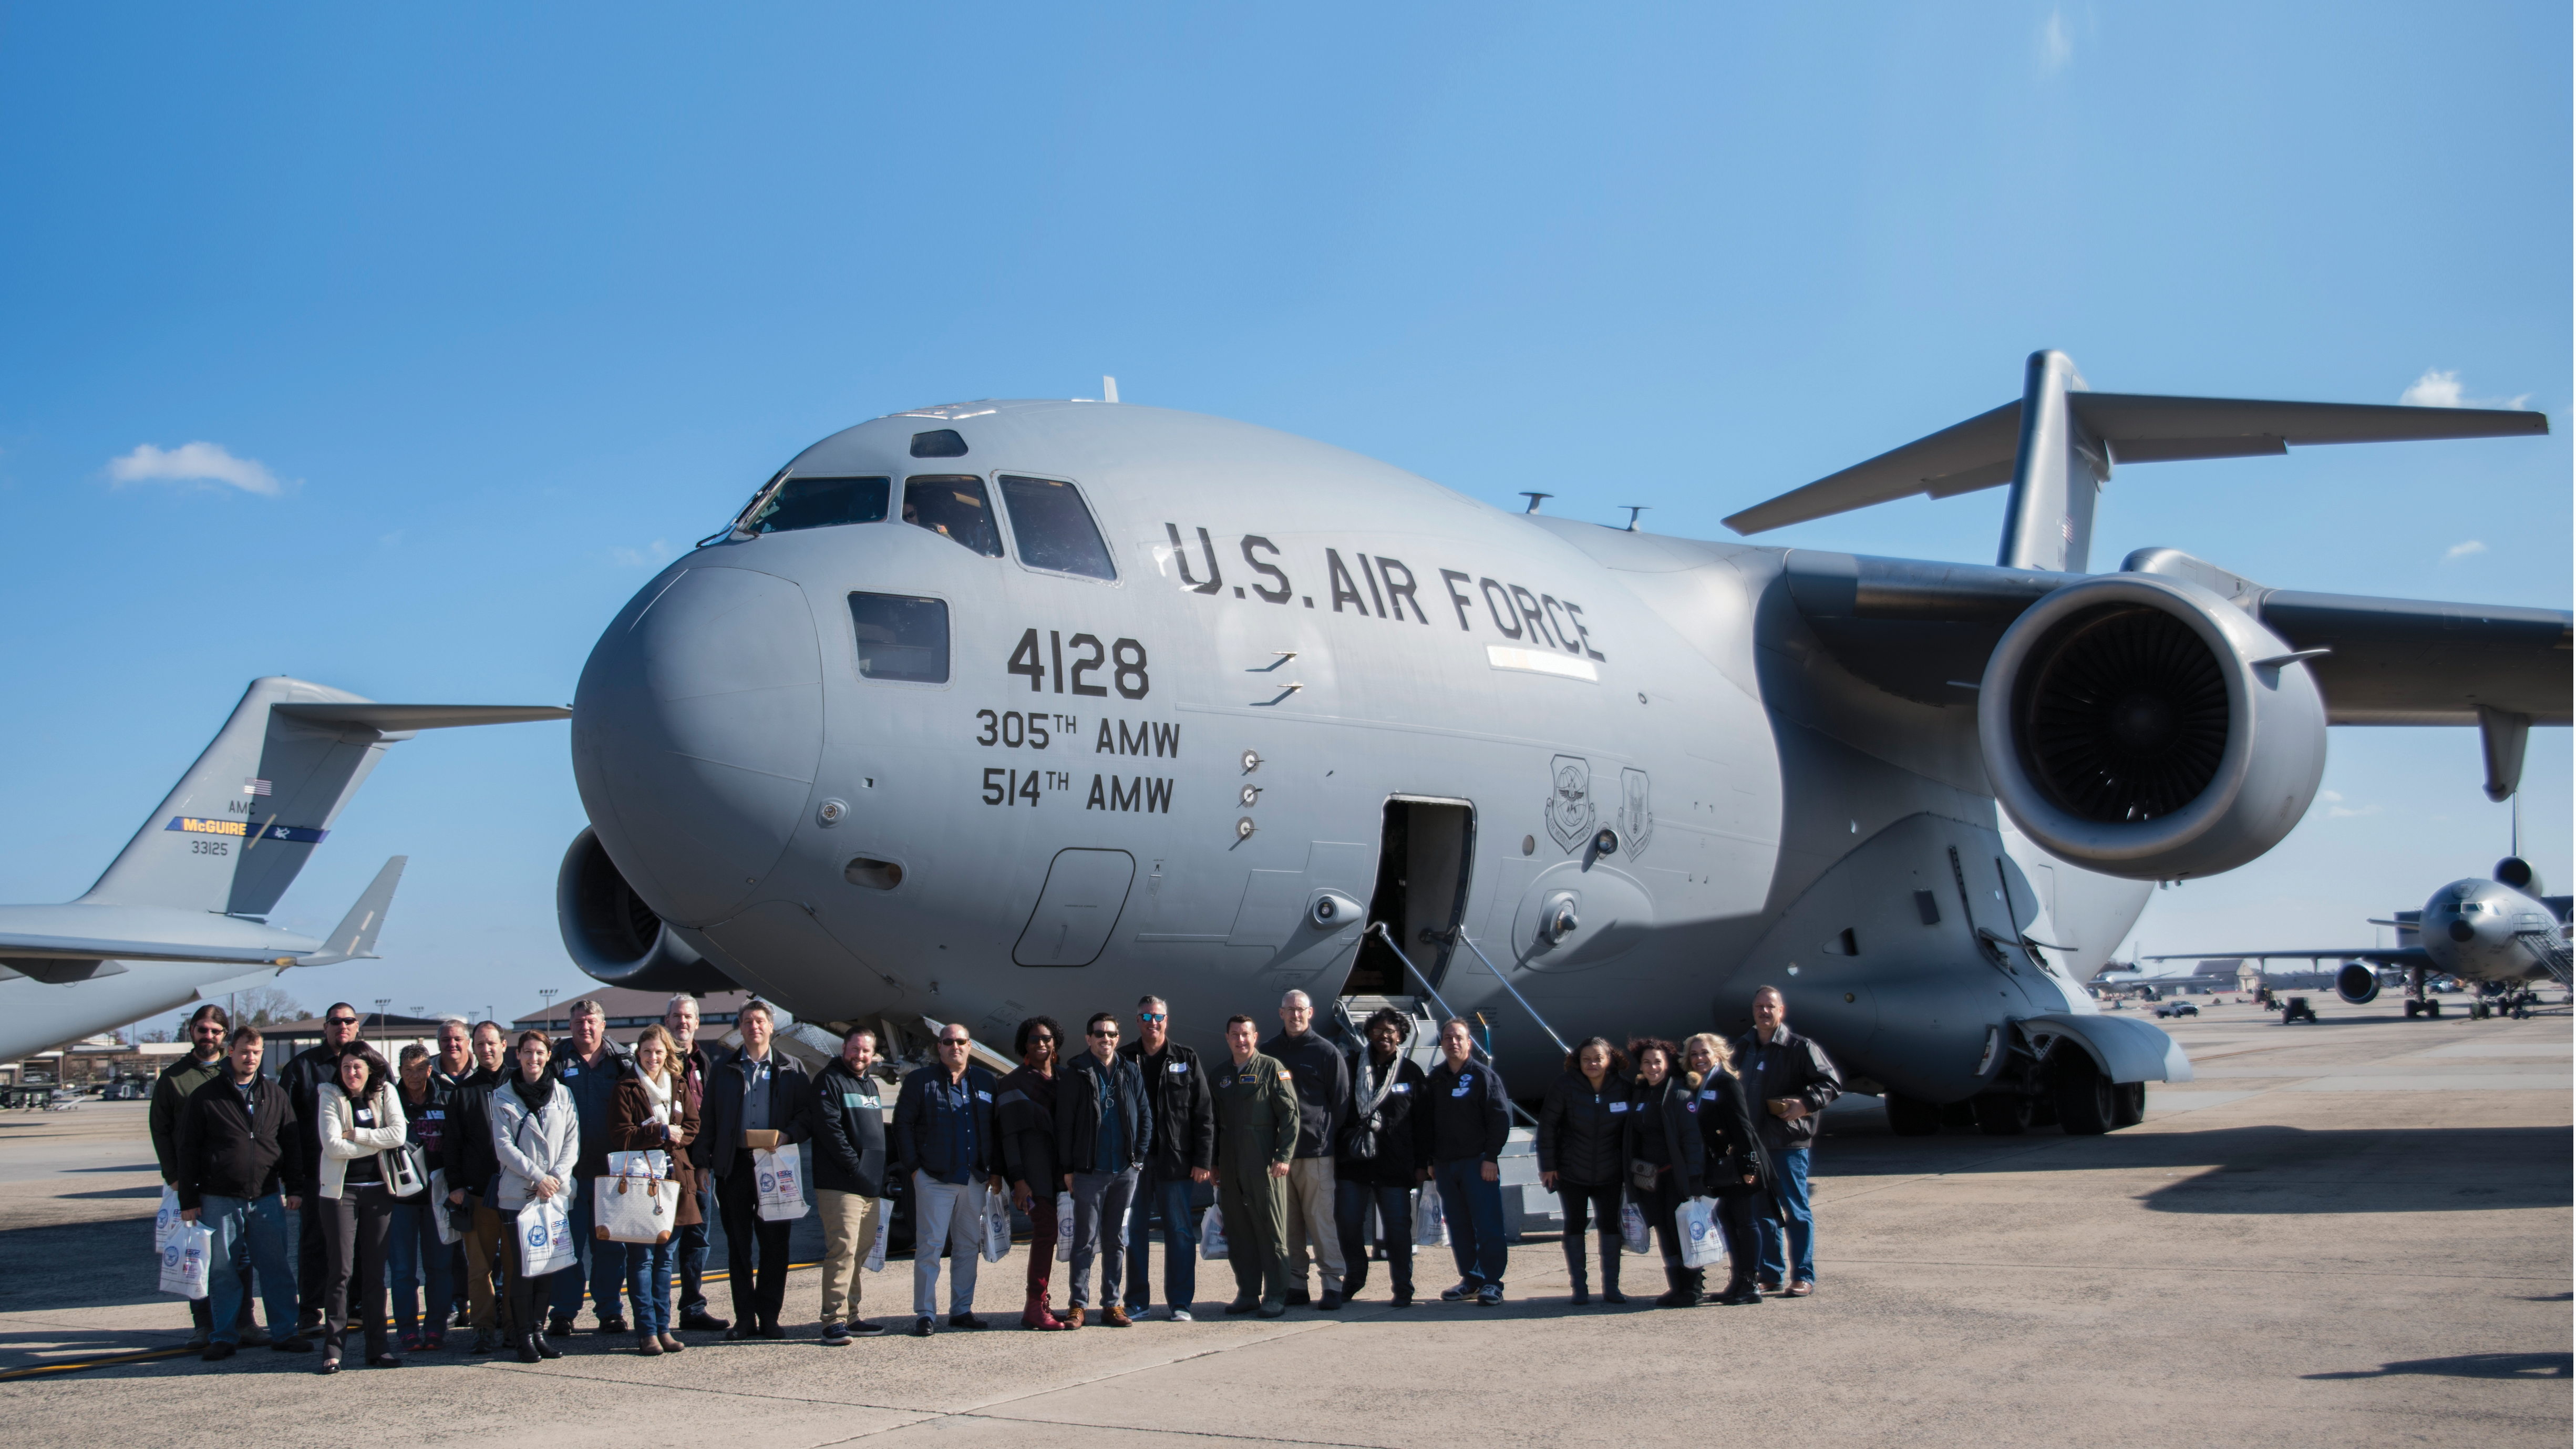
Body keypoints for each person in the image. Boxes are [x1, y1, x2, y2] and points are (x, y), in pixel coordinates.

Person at [176, 1025, 309, 1362]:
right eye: (244, 1051)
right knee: (223, 1270)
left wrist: (294, 1187)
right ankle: (224, 1336)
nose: (250, 1058)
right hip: (219, 1197)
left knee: (276, 1268)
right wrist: (188, 1201)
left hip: (266, 1197)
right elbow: (188, 1150)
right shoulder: (206, 1097)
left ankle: (285, 1332)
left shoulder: (275, 1094)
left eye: (257, 1052)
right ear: (230, 1052)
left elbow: (291, 1143)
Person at [151, 1003, 262, 1347]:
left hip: (230, 1182)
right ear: (192, 1032)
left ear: (225, 1036)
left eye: (216, 1031)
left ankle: (244, 1320)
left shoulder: (236, 1074)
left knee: (238, 1253)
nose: (209, 1036)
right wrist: (175, 1178)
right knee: (197, 1254)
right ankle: (204, 1324)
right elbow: (160, 1129)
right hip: (191, 1182)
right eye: (203, 1029)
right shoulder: (173, 1078)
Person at [702, 1000, 814, 1340]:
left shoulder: (791, 1068)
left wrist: (788, 1135)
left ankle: (769, 1316)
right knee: (739, 1246)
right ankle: (744, 1319)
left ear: (771, 1026)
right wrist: (704, 1163)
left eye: (760, 1021)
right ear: (740, 1026)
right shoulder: (723, 1069)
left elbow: (808, 1116)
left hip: (776, 1164)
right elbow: (708, 1120)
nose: (754, 1027)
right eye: (747, 1021)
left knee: (775, 1245)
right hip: (735, 1166)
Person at [891, 1022, 1004, 1335]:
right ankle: (926, 1313)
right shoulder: (920, 1081)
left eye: (962, 1041)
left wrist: (994, 1170)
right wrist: (915, 1169)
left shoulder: (986, 1082)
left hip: (974, 1178)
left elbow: (996, 1131)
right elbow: (903, 1125)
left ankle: (961, 1310)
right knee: (930, 1246)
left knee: (968, 1246)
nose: (955, 1046)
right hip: (935, 1178)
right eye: (948, 1041)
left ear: (971, 1046)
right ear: (939, 1047)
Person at [1732, 986, 1842, 1297]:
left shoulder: (1799, 1047)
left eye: (1770, 1007)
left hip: (1788, 1143)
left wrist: (1805, 1104)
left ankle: (1803, 1276)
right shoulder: (1742, 1048)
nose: (1764, 1012)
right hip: (1754, 1145)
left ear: (1781, 1011)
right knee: (1761, 1213)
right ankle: (1770, 1274)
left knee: (1796, 1210)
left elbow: (1830, 1083)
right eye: (1759, 1007)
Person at [1117, 995, 1214, 1322]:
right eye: (1145, 1016)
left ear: (1166, 1020)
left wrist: (1203, 1159)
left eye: (1157, 1016)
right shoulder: (1124, 1058)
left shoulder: (1186, 1058)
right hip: (1136, 1164)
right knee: (1135, 1232)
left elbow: (1204, 1113)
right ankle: (1137, 1302)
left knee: (1181, 1232)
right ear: (1138, 1021)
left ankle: (1181, 1303)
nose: (1152, 1022)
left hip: (1176, 1163)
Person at [609, 1023, 701, 1355]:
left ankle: (664, 1329)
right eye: (647, 1051)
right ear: (638, 1052)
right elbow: (621, 1135)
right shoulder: (627, 1087)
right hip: (640, 1182)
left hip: (675, 1179)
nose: (653, 1057)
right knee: (642, 1260)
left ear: (668, 1054)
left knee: (665, 1260)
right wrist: (661, 1132)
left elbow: (692, 1124)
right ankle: (646, 1330)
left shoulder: (677, 1084)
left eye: (659, 1052)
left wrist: (677, 1135)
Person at [315, 1043, 407, 1372]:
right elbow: (332, 1146)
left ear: (370, 1069)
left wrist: (358, 1135)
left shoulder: (386, 1094)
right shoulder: (329, 1094)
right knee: (341, 1271)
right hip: (341, 1194)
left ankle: (377, 1349)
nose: (351, 1073)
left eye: (357, 1067)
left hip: (380, 1193)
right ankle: (333, 1349)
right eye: (345, 1067)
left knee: (374, 1275)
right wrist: (374, 1140)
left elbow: (399, 1134)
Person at [1056, 1012, 1152, 1327]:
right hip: (1090, 1171)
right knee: (1084, 1240)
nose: (1106, 1039)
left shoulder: (1130, 1069)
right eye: (1099, 1034)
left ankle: (1112, 1304)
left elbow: (1145, 1116)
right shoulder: (1077, 1072)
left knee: (1115, 1240)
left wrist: (1137, 1159)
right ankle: (1078, 1304)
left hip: (1124, 1170)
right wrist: (1069, 1168)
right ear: (1088, 1038)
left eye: (1111, 1034)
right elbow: (1065, 1125)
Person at [547, 999, 635, 1337]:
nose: (586, 1027)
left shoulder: (622, 1060)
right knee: (567, 1245)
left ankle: (610, 1309)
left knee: (611, 1248)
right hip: (568, 1173)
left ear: (602, 1025)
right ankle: (564, 1311)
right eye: (579, 1021)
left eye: (591, 1021)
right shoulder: (556, 1060)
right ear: (570, 1026)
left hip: (611, 1174)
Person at [490, 1030, 576, 1365]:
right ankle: (523, 1335)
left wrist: (554, 1178)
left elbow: (572, 1141)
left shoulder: (563, 1095)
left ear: (548, 1055)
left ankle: (539, 1331)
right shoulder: (502, 1096)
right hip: (519, 1195)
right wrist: (538, 1177)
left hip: (554, 1195)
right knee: (524, 1268)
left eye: (540, 1052)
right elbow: (503, 1147)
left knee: (547, 1266)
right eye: (528, 1052)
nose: (534, 1058)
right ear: (518, 1055)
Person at [1333, 1006, 1427, 1307]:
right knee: (1347, 1223)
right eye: (1377, 1031)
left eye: (1390, 1031)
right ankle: (1355, 1276)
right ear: (1369, 1034)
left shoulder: (1411, 1073)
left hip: (1395, 1164)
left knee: (1398, 1229)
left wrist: (1423, 1164)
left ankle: (1402, 1286)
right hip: (1354, 1163)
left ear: (1400, 1035)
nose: (1384, 1036)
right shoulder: (1349, 1067)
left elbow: (1424, 1123)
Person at [1261, 990, 1349, 1308]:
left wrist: (1322, 1137)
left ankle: (1332, 1284)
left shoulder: (1326, 1053)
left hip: (1315, 1154)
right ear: (1280, 1013)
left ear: (1310, 1013)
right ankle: (1296, 1284)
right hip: (1279, 1157)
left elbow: (1340, 1105)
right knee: (1289, 1226)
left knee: (1321, 1222)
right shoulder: (1268, 1052)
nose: (1295, 1015)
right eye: (1290, 1010)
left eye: (1301, 1010)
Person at [281, 1002, 365, 1335]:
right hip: (317, 1176)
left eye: (349, 1021)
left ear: (357, 1027)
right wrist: (293, 1180)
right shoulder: (302, 1068)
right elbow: (285, 1127)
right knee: (316, 1243)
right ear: (325, 1028)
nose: (342, 1026)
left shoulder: (371, 1064)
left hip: (362, 1175)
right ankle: (312, 1310)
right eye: (335, 1022)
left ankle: (355, 1306)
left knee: (359, 1243)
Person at [1209, 1015, 1298, 1318]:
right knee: (1239, 1231)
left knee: (1270, 1229)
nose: (1240, 1040)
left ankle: (1276, 1294)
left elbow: (1290, 1115)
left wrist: (1283, 1156)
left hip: (1263, 1163)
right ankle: (1248, 1292)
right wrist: (1214, 1163)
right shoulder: (1220, 1075)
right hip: (1231, 1165)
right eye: (1235, 1034)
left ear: (1255, 1037)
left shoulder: (1273, 1069)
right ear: (1227, 1038)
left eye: (1245, 1034)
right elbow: (1212, 1124)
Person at [1419, 1019, 1511, 1306]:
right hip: (1446, 1166)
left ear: (1469, 1043)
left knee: (1487, 1224)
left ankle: (1492, 1282)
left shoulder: (1483, 1077)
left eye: (1459, 1038)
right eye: (1447, 1038)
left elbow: (1500, 1119)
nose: (1453, 1043)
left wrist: (1491, 1158)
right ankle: (1471, 1280)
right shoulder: (1434, 1079)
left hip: (1478, 1163)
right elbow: (1426, 1123)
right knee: (1458, 1226)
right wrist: (1431, 1160)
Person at [1537, 1035, 1632, 1306]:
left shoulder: (1623, 1088)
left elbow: (1633, 1130)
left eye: (1598, 1058)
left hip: (1611, 1172)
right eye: (1586, 1059)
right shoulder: (1565, 1085)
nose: (1592, 1063)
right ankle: (1579, 1287)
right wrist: (1548, 1166)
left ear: (1610, 1059)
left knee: (1610, 1226)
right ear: (1578, 1062)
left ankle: (1611, 1287)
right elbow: (1547, 1127)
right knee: (1575, 1225)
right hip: (1571, 1172)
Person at [810, 1025, 890, 1343]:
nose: (860, 1056)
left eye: (866, 1051)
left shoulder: (869, 1084)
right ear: (844, 1048)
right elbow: (830, 1130)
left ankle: (852, 1315)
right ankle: (833, 1319)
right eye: (855, 1049)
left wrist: (873, 1177)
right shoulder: (829, 1081)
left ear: (873, 1054)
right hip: (840, 1183)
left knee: (860, 1251)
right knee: (842, 1249)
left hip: (867, 1184)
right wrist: (855, 1168)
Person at [1681, 1032, 1771, 1306]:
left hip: (1737, 1164)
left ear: (1717, 1054)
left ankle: (1750, 1283)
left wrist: (1748, 1164)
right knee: (1730, 1223)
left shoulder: (1726, 1082)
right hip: (1719, 1167)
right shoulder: (1698, 1084)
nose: (1699, 1059)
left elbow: (1743, 1126)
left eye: (1704, 1053)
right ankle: (1737, 1281)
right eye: (1694, 1054)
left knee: (1746, 1222)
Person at [440, 1020, 511, 1353]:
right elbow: (451, 1145)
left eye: (491, 1043)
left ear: (503, 1045)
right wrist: (456, 1186)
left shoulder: (522, 1084)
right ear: (473, 1047)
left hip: (518, 1195)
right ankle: (483, 1328)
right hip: (478, 1193)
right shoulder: (463, 1093)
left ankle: (514, 1324)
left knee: (516, 1265)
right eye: (480, 1044)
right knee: (479, 1268)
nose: (486, 1049)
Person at [662, 993, 730, 1332]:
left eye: (688, 1017)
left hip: (699, 1166)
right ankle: (657, 1316)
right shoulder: (657, 1060)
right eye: (676, 1017)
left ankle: (692, 1307)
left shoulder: (706, 1063)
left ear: (697, 1023)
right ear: (667, 1022)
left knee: (698, 1238)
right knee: (664, 1239)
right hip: (667, 1167)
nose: (682, 1022)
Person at [995, 1016, 1069, 1331]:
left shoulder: (1065, 1081)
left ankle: (1048, 1303)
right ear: (1024, 1045)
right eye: (1034, 1039)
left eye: (1047, 1038)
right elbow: (1008, 1136)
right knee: (1045, 1234)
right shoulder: (1013, 1083)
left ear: (1056, 1042)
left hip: (1064, 1172)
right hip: (1034, 1172)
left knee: (1062, 1236)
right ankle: (1034, 1306)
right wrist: (1019, 1181)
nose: (1041, 1044)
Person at [387, 1043, 456, 1352]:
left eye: (420, 1069)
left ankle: (435, 1329)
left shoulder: (446, 1096)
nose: (414, 1076)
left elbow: (458, 1143)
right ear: (399, 1071)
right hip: (399, 1200)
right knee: (402, 1271)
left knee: (439, 1268)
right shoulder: (389, 1100)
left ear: (430, 1070)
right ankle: (407, 1330)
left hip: (437, 1197)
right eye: (407, 1070)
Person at [1623, 1037, 1698, 1307]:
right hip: (1649, 1180)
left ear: (1667, 1064)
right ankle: (1676, 1284)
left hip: (1673, 1178)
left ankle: (1692, 1287)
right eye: (1647, 1062)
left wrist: (1694, 1179)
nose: (1652, 1067)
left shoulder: (1678, 1094)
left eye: (1658, 1062)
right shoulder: (1642, 1094)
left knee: (1682, 1233)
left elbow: (1691, 1139)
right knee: (1664, 1232)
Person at [429, 1016, 476, 1332]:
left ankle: (481, 1302)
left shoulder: (483, 1074)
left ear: (468, 1042)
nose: (453, 1045)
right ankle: (452, 1304)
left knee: (481, 1246)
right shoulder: (427, 1075)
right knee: (447, 1246)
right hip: (438, 1175)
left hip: (478, 1173)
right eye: (446, 1040)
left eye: (458, 1039)